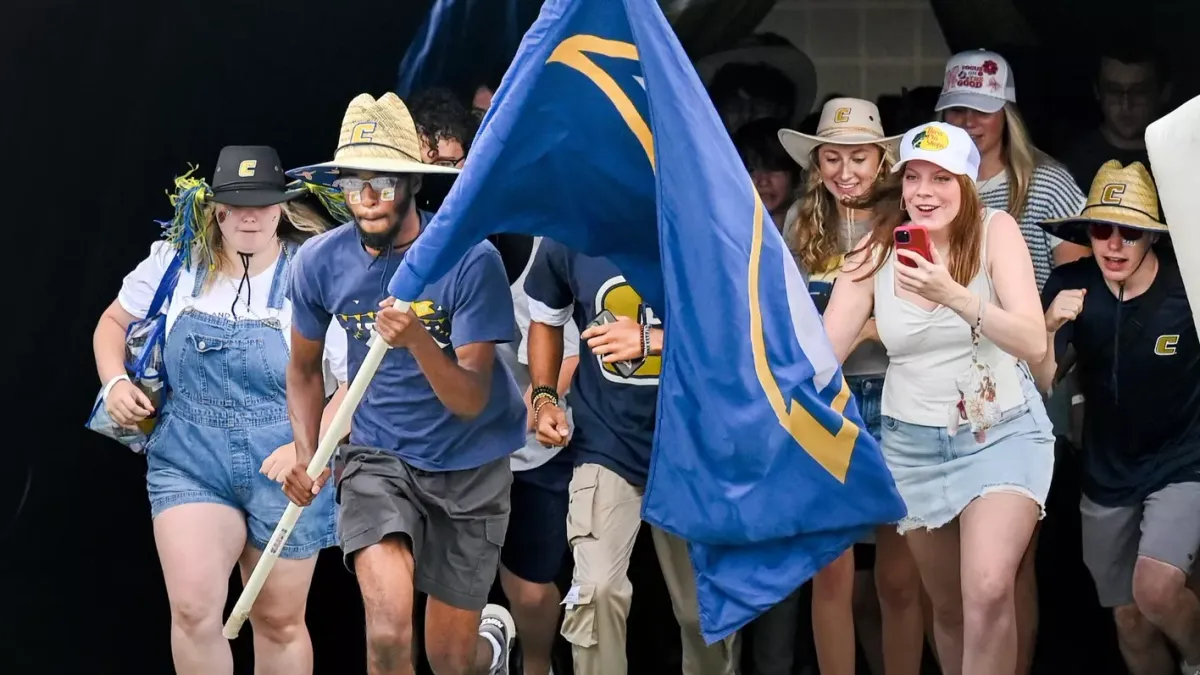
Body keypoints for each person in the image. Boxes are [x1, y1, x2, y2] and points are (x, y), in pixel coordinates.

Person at [281, 92, 525, 675]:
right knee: (389, 628)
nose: (367, 200)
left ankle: (488, 648)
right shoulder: (319, 262)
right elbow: (303, 370)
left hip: (470, 464)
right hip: (379, 456)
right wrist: (307, 454)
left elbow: (470, 399)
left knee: (449, 660)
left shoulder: (469, 260)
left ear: (414, 184)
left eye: (384, 184)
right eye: (353, 184)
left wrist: (418, 338)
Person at [92, 146, 346, 675]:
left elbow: (351, 384)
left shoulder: (315, 272)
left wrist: (306, 446)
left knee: (278, 620)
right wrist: (115, 380)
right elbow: (111, 324)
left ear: (281, 208)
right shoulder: (175, 261)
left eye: (263, 204)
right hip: (190, 456)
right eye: (236, 205)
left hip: (287, 465)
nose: (250, 216)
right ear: (217, 210)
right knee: (192, 611)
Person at [823, 122, 1056, 675]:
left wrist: (951, 293)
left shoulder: (997, 231)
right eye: (914, 177)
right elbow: (820, 354)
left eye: (942, 178)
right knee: (948, 608)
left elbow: (1030, 338)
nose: (924, 191)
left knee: (989, 588)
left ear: (969, 183)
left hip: (1002, 430)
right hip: (913, 446)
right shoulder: (875, 250)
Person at [935, 49, 1089, 671]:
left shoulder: (1045, 182)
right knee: (956, 571)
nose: (972, 121)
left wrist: (1051, 335)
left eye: (986, 110)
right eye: (959, 109)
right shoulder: (934, 180)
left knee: (1010, 562)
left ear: (1009, 115)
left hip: (1028, 380)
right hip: (944, 388)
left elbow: (1088, 277)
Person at [524, 239, 741, 675]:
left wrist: (653, 338)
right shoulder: (573, 224)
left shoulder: (699, 213)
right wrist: (545, 397)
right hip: (607, 441)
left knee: (703, 612)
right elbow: (546, 317)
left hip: (694, 446)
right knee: (596, 591)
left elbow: (742, 327)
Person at [775, 98, 925, 675]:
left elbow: (926, 322)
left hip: (896, 400)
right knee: (830, 573)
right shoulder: (799, 221)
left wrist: (862, 328)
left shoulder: (908, 222)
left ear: (883, 161)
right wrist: (861, 328)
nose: (845, 171)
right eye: (831, 159)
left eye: (858, 158)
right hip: (823, 407)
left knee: (898, 579)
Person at [1032, 160, 1200, 675]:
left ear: (1152, 238)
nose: (1114, 244)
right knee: (1128, 618)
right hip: (1105, 471)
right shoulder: (1070, 283)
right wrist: (1047, 325)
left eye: (1130, 232)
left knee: (1155, 588)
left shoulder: (1188, 285)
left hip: (1183, 460)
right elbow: (1043, 381)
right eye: (1101, 229)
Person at [493, 237, 581, 675]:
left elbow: (569, 356)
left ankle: (538, 665)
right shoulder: (435, 243)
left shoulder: (544, 249)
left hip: (536, 450)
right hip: (455, 452)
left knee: (528, 589)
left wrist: (524, 417)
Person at [1060, 48, 1172, 194]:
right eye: (1114, 90)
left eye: (1138, 91)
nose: (1126, 104)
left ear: (1164, 93)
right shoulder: (1073, 167)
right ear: (1097, 91)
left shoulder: (1182, 161)